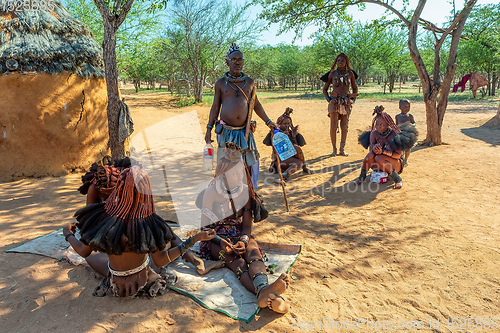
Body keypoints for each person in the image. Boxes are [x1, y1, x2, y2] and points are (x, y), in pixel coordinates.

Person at [63, 166, 217, 298]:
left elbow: (83, 252)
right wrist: (194, 239)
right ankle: (194, 260)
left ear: (119, 188)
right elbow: (161, 261)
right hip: (143, 280)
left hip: (114, 281)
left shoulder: (103, 216)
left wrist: (68, 234)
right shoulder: (150, 223)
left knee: (92, 255)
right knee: (164, 241)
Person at [198, 143, 291, 314]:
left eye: (242, 171)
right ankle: (267, 293)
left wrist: (243, 240)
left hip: (238, 233)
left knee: (253, 253)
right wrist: (221, 241)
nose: (241, 175)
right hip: (214, 238)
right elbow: (205, 227)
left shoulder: (245, 192)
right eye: (236, 173)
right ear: (224, 174)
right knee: (237, 261)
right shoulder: (211, 192)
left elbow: (247, 225)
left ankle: (263, 290)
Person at [205, 43, 276, 188]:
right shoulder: (220, 84)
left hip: (245, 132)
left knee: (247, 165)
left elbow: (255, 104)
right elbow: (215, 107)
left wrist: (268, 121)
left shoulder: (249, 83)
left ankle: (247, 194)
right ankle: (227, 196)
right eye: (233, 59)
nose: (237, 62)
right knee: (227, 165)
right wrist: (208, 128)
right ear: (227, 62)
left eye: (240, 59)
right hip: (227, 133)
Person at [355, 106, 417, 189]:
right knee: (370, 155)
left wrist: (383, 152)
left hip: (395, 164)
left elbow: (397, 156)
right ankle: (362, 177)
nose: (378, 126)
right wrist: (375, 148)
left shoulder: (394, 134)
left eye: (381, 125)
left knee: (379, 158)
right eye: (377, 124)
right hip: (378, 165)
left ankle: (398, 179)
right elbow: (371, 150)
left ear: (387, 125)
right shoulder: (374, 134)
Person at [322, 53, 358, 156]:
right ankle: (334, 149)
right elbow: (325, 89)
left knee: (344, 126)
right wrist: (329, 100)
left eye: (342, 60)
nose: (340, 62)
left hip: (346, 103)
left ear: (346, 62)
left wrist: (353, 100)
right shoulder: (332, 74)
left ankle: (342, 149)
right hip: (335, 103)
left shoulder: (350, 74)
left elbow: (355, 88)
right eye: (338, 61)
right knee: (333, 126)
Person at [263, 107, 313, 182]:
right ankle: (282, 178)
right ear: (280, 124)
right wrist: (283, 137)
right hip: (280, 160)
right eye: (285, 124)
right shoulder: (275, 133)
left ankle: (301, 168)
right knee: (298, 159)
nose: (287, 126)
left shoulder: (291, 132)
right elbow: (277, 149)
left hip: (291, 158)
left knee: (297, 152)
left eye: (288, 124)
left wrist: (286, 113)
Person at [395, 99, 416, 165]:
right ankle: (400, 159)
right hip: (400, 134)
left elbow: (414, 123)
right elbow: (396, 125)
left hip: (408, 134)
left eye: (408, 106)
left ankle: (406, 160)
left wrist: (412, 125)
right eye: (405, 107)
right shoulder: (397, 116)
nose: (407, 108)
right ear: (400, 107)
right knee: (400, 149)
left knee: (407, 148)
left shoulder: (410, 116)